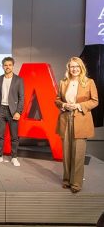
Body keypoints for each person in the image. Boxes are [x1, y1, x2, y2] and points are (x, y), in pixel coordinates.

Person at [55, 57, 98, 193]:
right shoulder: (63, 82)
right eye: (72, 67)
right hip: (65, 119)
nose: (74, 69)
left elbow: (94, 101)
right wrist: (64, 105)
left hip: (81, 120)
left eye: (77, 67)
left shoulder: (89, 82)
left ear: (81, 68)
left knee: (78, 154)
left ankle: (76, 183)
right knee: (66, 153)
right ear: (69, 68)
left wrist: (79, 105)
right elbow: (57, 100)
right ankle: (67, 180)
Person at [0, 57, 24, 167]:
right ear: (3, 66)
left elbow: (21, 98)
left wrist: (19, 111)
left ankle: (14, 157)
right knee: (0, 135)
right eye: (5, 65)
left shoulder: (19, 80)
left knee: (14, 136)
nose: (7, 67)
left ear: (13, 66)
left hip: (13, 111)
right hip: (1, 110)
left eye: (9, 65)